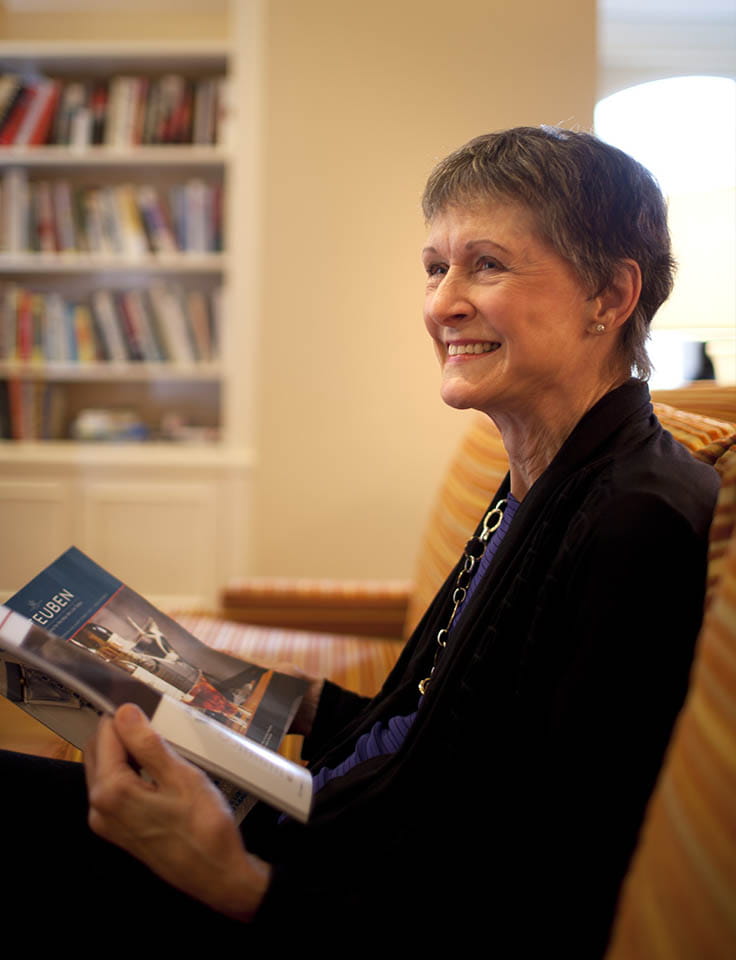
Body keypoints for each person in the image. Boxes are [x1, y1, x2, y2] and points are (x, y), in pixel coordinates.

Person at [3, 128, 719, 954]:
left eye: (486, 264)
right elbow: (420, 727)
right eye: (435, 267)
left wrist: (227, 879)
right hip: (312, 823)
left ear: (610, 295)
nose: (442, 302)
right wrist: (215, 681)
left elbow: (543, 895)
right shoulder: (541, 475)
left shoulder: (638, 522)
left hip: (306, 895)